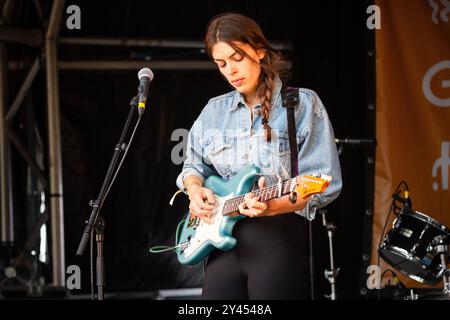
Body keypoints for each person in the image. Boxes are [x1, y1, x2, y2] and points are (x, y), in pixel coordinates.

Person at [176, 12, 342, 300]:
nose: (230, 70)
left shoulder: (302, 104)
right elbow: (193, 164)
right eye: (221, 63)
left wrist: (271, 206)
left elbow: (323, 181)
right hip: (221, 246)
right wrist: (194, 190)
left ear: (260, 50)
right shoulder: (214, 110)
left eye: (237, 57)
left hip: (276, 242)